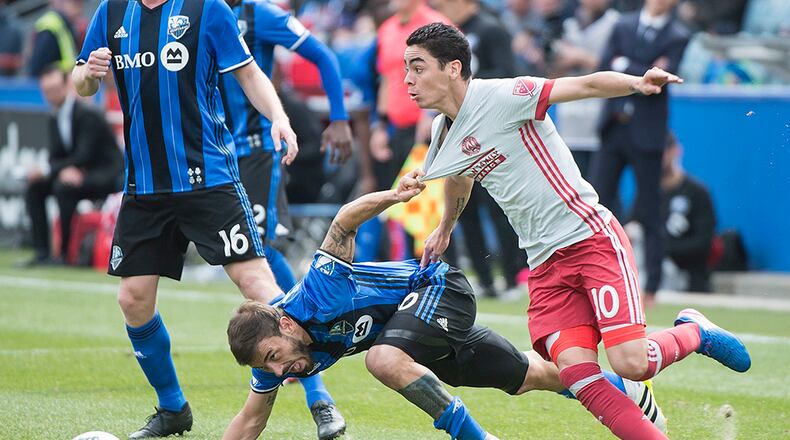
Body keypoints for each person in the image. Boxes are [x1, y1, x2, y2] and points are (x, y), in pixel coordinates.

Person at [411, 23, 750, 439]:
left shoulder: (501, 96)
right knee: (577, 375)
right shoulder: (442, 130)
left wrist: (637, 82)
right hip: (543, 265)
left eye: (417, 67)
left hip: (588, 239)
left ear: (452, 68)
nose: (408, 80)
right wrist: (445, 228)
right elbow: (459, 178)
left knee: (630, 363)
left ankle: (695, 332)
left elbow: (586, 84)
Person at [222, 170, 667, 439]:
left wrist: (395, 197)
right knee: (530, 375)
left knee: (382, 359)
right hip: (415, 334)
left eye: (275, 357)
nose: (282, 372)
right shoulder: (272, 362)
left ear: (282, 323)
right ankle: (625, 390)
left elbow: (342, 222)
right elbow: (249, 422)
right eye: (271, 366)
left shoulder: (315, 293)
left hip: (440, 287)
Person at [73, 0, 298, 437]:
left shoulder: (207, 8)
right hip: (145, 186)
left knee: (257, 285)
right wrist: (89, 72)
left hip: (208, 179)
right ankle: (173, 408)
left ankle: (305, 371)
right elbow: (82, 84)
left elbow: (248, 72)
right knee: (133, 300)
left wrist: (280, 118)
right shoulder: (111, 11)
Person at [218, 0, 353, 437]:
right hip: (212, 155)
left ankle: (317, 392)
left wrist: (338, 117)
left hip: (257, 148)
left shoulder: (261, 15)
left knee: (259, 255)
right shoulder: (191, 15)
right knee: (243, 265)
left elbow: (323, 56)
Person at [589, 0, 690, 306]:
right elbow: (605, 64)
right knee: (595, 202)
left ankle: (651, 287)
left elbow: (660, 78)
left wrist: (625, 64)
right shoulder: (623, 25)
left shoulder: (677, 35)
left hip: (647, 134)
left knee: (650, 210)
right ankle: (596, 276)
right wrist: (640, 69)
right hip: (614, 127)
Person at [432, 0, 527, 298]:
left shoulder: (491, 28)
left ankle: (513, 276)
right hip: (460, 129)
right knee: (465, 208)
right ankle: (484, 279)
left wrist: (475, 87)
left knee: (497, 207)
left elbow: (508, 73)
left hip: (490, 128)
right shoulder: (448, 33)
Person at [23, 64, 122, 266]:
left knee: (63, 188)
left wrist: (51, 170)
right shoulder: (53, 117)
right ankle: (42, 252)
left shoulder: (87, 113)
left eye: (55, 90)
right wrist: (59, 170)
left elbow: (84, 156)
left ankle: (64, 254)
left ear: (67, 85)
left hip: (104, 175)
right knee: (35, 188)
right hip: (75, 172)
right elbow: (55, 156)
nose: (51, 95)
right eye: (46, 92)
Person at [660, 132, 716, 292]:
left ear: (676, 150)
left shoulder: (697, 192)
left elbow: (704, 242)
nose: (660, 158)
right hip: (652, 274)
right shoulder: (647, 193)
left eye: (664, 151)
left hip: (690, 278)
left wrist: (664, 249)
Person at [28, 0, 84, 76]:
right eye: (75, 3)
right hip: (53, 85)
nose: (79, 9)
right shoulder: (49, 27)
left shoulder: (67, 25)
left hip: (66, 84)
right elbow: (39, 68)